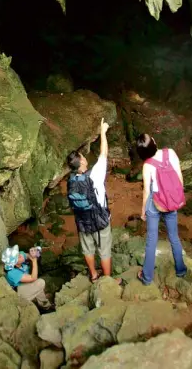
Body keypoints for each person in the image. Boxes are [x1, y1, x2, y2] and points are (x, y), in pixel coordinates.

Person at [67, 118, 121, 283]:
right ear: (82, 161)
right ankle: (107, 280)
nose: (84, 157)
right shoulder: (94, 175)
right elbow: (103, 154)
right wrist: (103, 133)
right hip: (99, 219)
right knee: (104, 250)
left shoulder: (71, 180)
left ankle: (94, 276)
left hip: (82, 221)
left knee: (87, 249)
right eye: (83, 156)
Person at [136, 133, 188, 285]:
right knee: (174, 236)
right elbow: (179, 177)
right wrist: (175, 197)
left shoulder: (147, 165)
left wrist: (143, 210)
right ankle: (181, 270)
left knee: (152, 240)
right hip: (171, 201)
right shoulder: (170, 153)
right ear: (153, 141)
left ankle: (147, 277)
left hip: (156, 202)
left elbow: (146, 191)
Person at [1, 244, 53, 310]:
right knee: (40, 283)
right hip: (19, 290)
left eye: (18, 253)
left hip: (25, 283)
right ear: (14, 263)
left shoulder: (20, 255)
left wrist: (35, 252)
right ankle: (23, 304)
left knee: (38, 287)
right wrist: (34, 260)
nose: (20, 255)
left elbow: (29, 255)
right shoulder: (12, 273)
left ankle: (45, 305)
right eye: (17, 256)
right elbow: (33, 278)